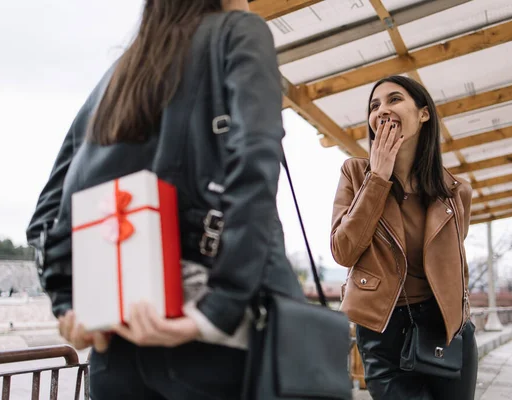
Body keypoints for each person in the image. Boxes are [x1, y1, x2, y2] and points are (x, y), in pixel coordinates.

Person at [26, 1, 304, 399]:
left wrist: (70, 304)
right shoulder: (238, 32)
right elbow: (255, 166)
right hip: (218, 346)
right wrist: (217, 308)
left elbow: (48, 211)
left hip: (116, 349)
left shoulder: (120, 74)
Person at [330, 75, 478, 399]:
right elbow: (343, 250)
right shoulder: (355, 174)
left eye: (394, 99)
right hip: (382, 330)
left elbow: (453, 266)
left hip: (447, 330)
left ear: (423, 113)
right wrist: (378, 179)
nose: (382, 110)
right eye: (374, 105)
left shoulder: (456, 192)